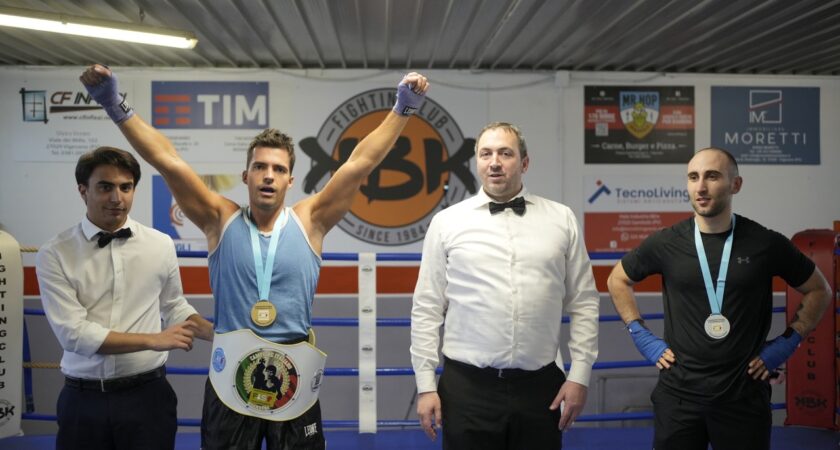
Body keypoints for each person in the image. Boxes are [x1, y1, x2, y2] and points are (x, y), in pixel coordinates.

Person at [81, 64, 428, 450]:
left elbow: (359, 163)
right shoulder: (219, 219)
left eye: (278, 169)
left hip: (294, 376)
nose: (268, 175)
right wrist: (115, 105)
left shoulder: (311, 221)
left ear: (290, 181)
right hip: (230, 376)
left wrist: (402, 110)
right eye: (260, 167)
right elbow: (168, 160)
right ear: (245, 176)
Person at [606, 147, 832, 450]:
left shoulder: (765, 243)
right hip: (679, 397)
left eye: (712, 176)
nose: (700, 187)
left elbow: (820, 290)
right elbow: (617, 279)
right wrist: (639, 334)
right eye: (693, 177)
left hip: (743, 397)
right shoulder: (666, 242)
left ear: (735, 185)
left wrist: (790, 340)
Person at [410, 122, 600, 449]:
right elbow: (427, 308)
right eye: (486, 154)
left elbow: (584, 302)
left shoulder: (561, 218)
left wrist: (580, 374)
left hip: (542, 388)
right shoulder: (447, 223)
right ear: (477, 162)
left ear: (524, 163)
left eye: (505, 153)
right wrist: (426, 385)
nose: (494, 162)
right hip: (467, 388)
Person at [35, 147, 213, 450]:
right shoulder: (55, 253)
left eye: (125, 187)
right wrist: (152, 339)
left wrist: (219, 335)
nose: (117, 198)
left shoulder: (160, 245)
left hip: (148, 398)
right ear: (83, 191)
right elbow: (74, 335)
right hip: (83, 401)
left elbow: (173, 305)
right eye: (105, 187)